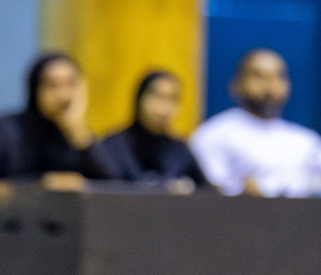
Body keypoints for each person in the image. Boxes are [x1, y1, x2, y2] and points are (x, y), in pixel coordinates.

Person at [190, 49, 321, 197]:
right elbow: (212, 190)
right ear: (235, 84)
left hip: (300, 228)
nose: (270, 84)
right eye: (258, 76)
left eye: (278, 76)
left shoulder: (301, 139)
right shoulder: (212, 135)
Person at [0, 53, 115, 186]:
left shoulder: (77, 135)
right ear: (35, 89)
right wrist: (41, 183)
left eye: (71, 84)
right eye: (53, 85)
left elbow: (112, 187)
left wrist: (80, 135)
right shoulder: (9, 130)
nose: (63, 95)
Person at [101, 70, 208, 189]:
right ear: (140, 98)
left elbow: (207, 192)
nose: (164, 105)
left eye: (173, 98)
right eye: (158, 96)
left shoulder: (179, 150)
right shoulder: (114, 145)